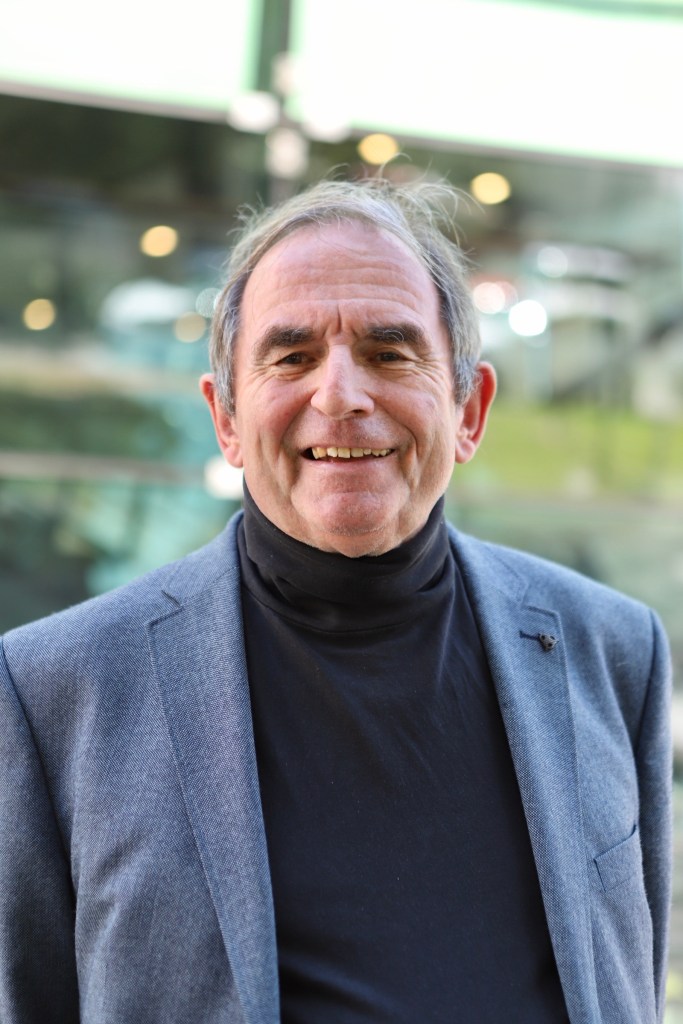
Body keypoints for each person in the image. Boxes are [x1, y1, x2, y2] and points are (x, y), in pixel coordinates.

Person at [0, 178, 672, 1024]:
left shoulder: (610, 650)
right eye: (291, 357)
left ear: (469, 409)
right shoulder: (57, 690)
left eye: (390, 353)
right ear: (226, 419)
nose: (340, 396)